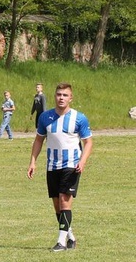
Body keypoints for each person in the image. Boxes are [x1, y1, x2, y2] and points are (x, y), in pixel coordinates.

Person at [27, 83, 93, 252]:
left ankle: (61, 242)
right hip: (52, 166)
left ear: (71, 98)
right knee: (57, 205)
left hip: (71, 165)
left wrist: (83, 161)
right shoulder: (45, 117)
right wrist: (33, 161)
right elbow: (39, 140)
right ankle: (70, 236)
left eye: (65, 95)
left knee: (65, 201)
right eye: (59, 95)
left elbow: (88, 142)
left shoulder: (79, 118)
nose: (61, 98)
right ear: (55, 96)